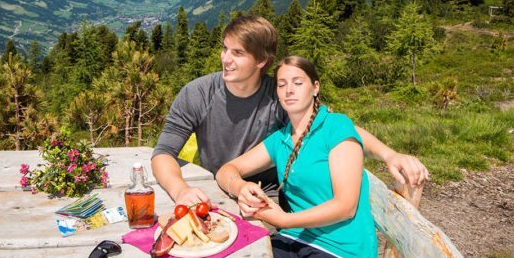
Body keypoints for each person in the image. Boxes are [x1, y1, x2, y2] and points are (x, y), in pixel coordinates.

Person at [151, 15, 428, 206]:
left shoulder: (281, 96)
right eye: (225, 49)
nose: (225, 59)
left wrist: (390, 154)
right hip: (214, 190)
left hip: (267, 197)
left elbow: (333, 128)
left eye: (237, 53)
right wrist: (181, 191)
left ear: (261, 60)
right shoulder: (198, 92)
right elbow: (164, 152)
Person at [216, 55, 376, 258]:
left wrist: (284, 220)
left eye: (298, 82)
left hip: (344, 253)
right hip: (294, 239)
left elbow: (346, 206)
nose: (289, 90)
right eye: (282, 84)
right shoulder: (280, 139)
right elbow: (226, 170)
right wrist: (241, 187)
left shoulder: (336, 127)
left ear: (315, 87)